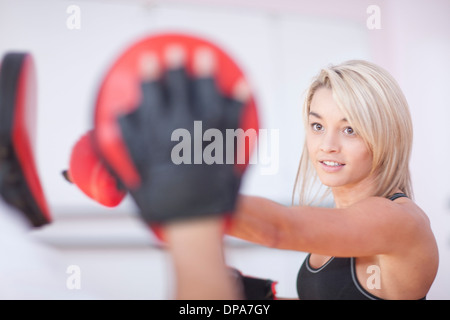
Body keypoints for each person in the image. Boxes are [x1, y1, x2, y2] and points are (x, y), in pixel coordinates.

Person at [227, 60, 439, 300]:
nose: (327, 146)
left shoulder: (398, 220)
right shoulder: (341, 218)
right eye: (317, 126)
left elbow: (278, 229)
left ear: (385, 136)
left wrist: (191, 204)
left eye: (349, 130)